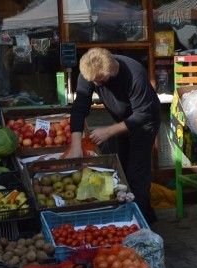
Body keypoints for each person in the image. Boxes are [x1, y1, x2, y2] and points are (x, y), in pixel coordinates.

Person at [69, 47, 161, 225]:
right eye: (93, 82)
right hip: (123, 120)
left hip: (145, 122)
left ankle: (141, 227)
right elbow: (80, 107)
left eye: (100, 81)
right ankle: (141, 215)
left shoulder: (135, 74)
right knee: (123, 170)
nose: (96, 85)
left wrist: (109, 131)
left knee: (136, 175)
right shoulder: (90, 72)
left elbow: (142, 115)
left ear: (111, 70)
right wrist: (76, 145)